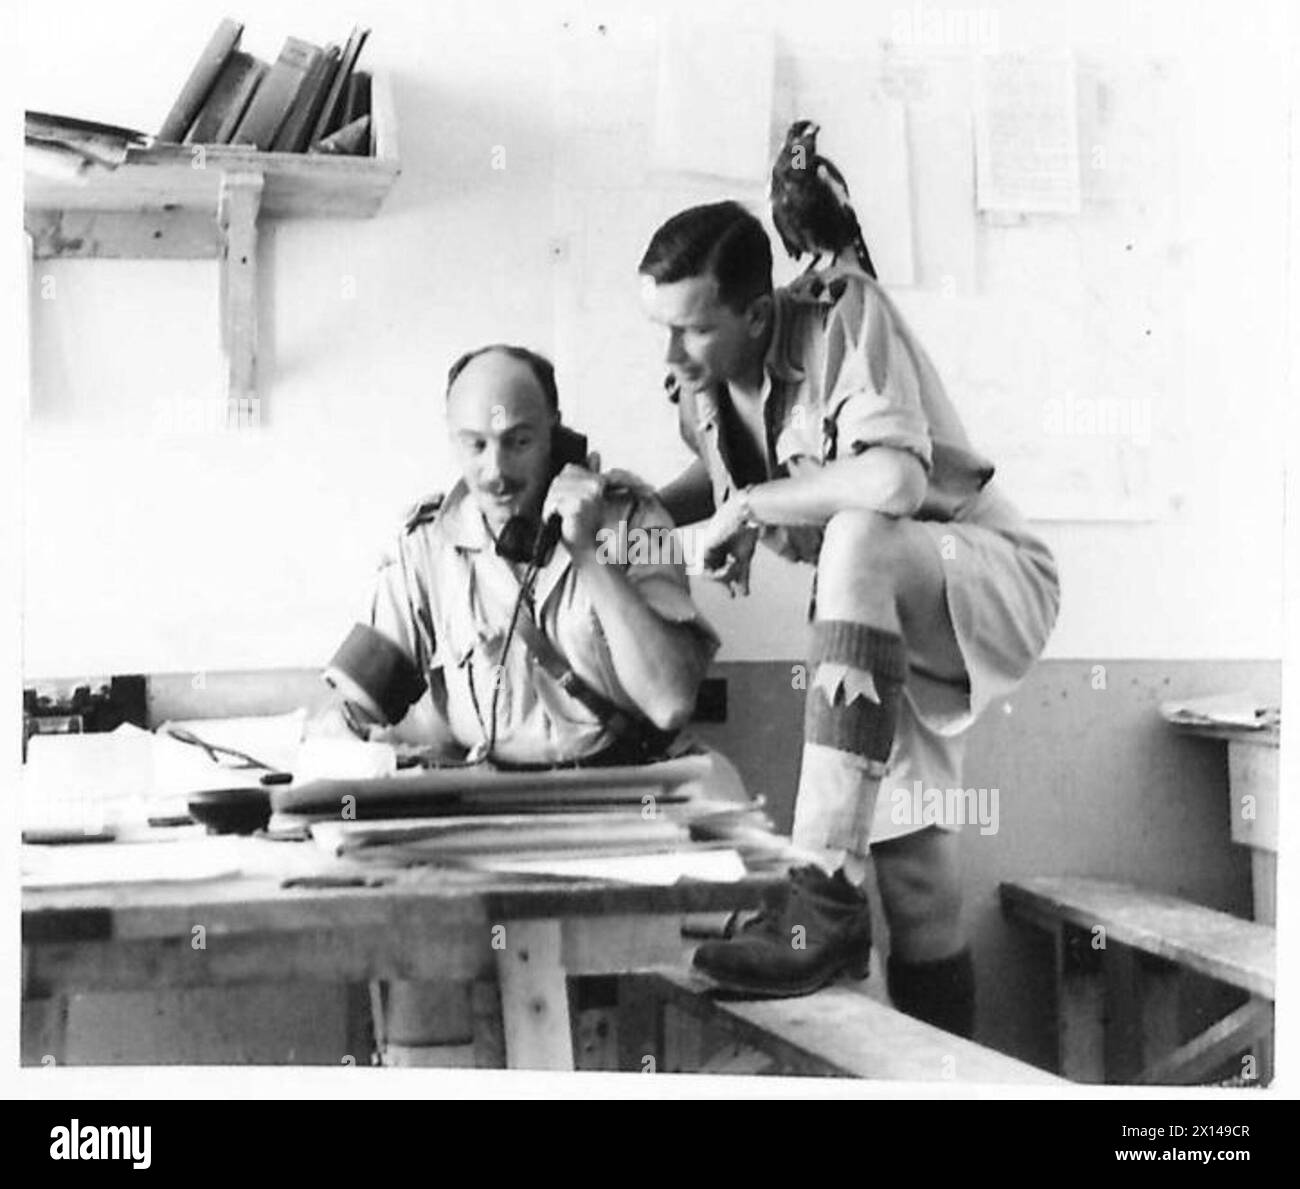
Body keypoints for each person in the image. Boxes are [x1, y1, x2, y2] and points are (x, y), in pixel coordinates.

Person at [637, 201, 1060, 1036]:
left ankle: (822, 893)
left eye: (690, 329)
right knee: (919, 883)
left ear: (757, 313)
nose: (671, 352)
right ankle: (943, 1084)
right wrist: (624, 517)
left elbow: (894, 485)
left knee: (858, 534)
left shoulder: (841, 315)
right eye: (660, 327)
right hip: (870, 620)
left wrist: (753, 507)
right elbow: (714, 481)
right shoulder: (706, 390)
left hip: (976, 569)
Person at [313, 343, 734, 1064]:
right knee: (417, 964)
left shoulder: (631, 520)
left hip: (619, 805)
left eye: (518, 441)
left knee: (679, 993)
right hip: (492, 814)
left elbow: (668, 702)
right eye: (473, 444)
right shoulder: (428, 544)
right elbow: (350, 708)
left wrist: (588, 552)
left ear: (558, 434)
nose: (495, 470)